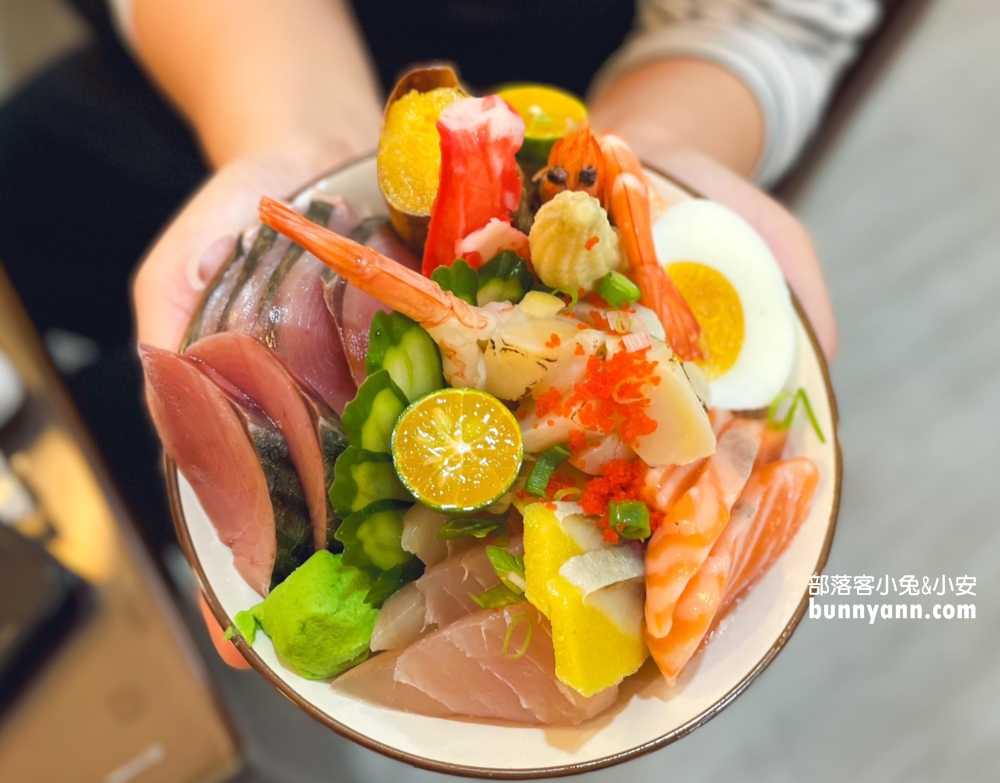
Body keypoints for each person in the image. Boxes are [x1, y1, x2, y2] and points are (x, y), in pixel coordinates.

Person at [19, 0, 881, 663]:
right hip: (228, 63)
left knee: (107, 441)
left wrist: (652, 156)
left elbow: (765, 21)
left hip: (597, 80)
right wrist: (301, 141)